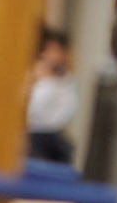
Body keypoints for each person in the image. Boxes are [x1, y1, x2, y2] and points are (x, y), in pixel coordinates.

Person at [24, 25, 78, 166]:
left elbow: (65, 111)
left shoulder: (65, 79)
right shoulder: (33, 72)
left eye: (56, 50)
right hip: (31, 134)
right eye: (50, 50)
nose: (52, 55)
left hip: (48, 136)